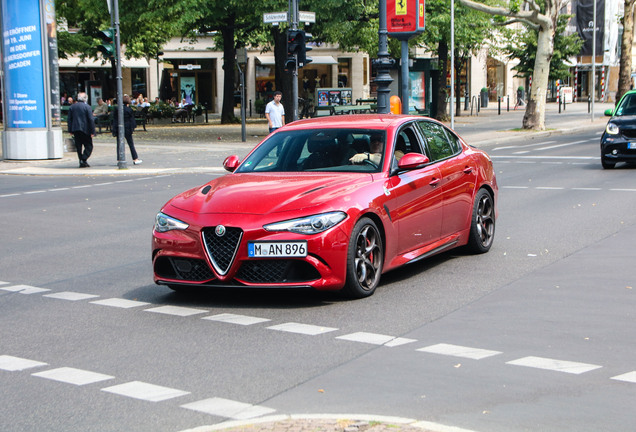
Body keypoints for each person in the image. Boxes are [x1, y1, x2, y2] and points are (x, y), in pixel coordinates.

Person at [67, 92, 95, 168]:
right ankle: (84, 159)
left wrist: (70, 130)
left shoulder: (72, 107)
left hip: (76, 129)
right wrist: (92, 131)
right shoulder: (87, 107)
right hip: (85, 129)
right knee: (89, 146)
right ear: (85, 98)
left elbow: (69, 119)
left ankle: (81, 161)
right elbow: (90, 119)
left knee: (79, 146)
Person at [112, 94, 142, 165]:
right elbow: (132, 120)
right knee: (131, 144)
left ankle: (120, 159)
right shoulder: (129, 110)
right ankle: (135, 158)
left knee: (119, 144)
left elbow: (115, 119)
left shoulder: (117, 109)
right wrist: (133, 127)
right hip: (128, 128)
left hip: (119, 128)